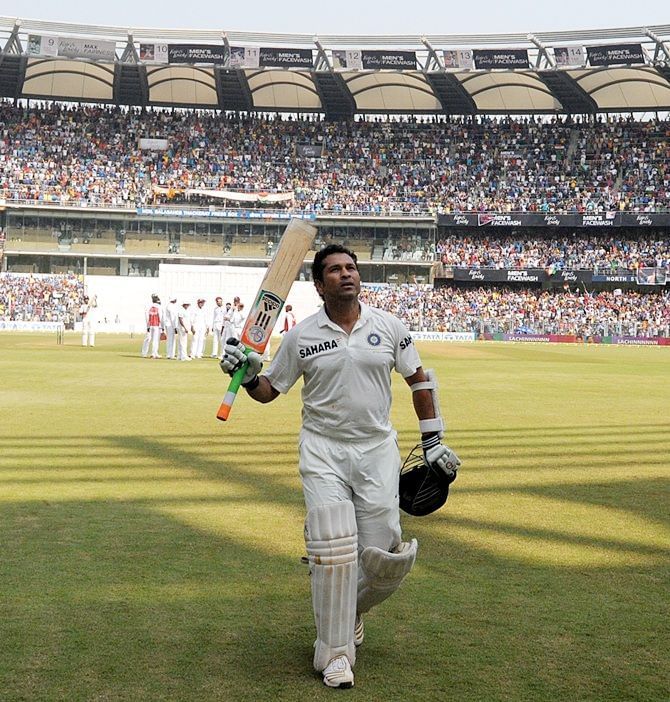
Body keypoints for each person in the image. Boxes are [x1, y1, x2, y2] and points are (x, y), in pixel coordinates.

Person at [220, 244, 460, 689]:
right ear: (318, 284)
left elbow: (419, 379)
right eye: (334, 270)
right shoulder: (303, 335)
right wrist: (250, 375)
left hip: (376, 451)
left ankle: (345, 613)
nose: (346, 274)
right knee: (332, 549)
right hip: (323, 450)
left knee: (384, 560)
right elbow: (271, 390)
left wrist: (433, 440)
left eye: (351, 268)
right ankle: (334, 654)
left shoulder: (388, 326)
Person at [141, 294, 163, 358]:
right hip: (156, 325)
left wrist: (147, 326)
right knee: (155, 340)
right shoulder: (159, 307)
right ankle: (154, 353)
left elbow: (147, 317)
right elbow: (160, 317)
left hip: (150, 325)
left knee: (147, 339)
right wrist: (162, 327)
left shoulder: (148, 306)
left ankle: (144, 353)